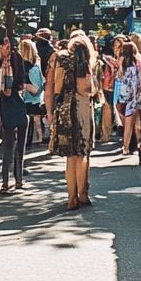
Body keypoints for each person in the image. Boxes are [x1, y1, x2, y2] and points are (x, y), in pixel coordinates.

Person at [46, 29, 97, 210]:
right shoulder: (84, 64)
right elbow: (86, 89)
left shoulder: (59, 59)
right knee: (82, 153)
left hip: (64, 109)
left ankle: (71, 197)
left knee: (70, 156)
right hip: (81, 109)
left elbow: (53, 87)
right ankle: (82, 193)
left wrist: (50, 111)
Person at [0, 34, 28, 193]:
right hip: (18, 104)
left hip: (6, 105)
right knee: (19, 145)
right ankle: (18, 179)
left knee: (8, 146)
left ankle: (6, 182)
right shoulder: (17, 58)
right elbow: (21, 82)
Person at [116, 42, 141, 155]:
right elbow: (140, 80)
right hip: (137, 97)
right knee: (138, 123)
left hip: (123, 97)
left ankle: (126, 147)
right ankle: (138, 145)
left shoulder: (121, 66)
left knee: (128, 124)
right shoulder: (136, 66)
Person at [19, 37, 46, 148]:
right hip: (32, 99)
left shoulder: (32, 68)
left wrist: (23, 86)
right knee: (35, 119)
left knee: (35, 119)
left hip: (32, 99)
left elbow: (36, 88)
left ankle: (37, 139)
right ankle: (37, 139)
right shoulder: (34, 66)